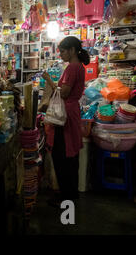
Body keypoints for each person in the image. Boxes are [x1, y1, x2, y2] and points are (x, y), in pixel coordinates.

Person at [42, 36, 90, 206]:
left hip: (65, 115)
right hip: (71, 112)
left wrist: (48, 80)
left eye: (62, 51)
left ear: (71, 50)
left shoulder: (72, 68)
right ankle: (71, 193)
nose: (61, 54)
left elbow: (64, 93)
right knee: (70, 156)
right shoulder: (80, 67)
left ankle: (65, 197)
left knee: (61, 155)